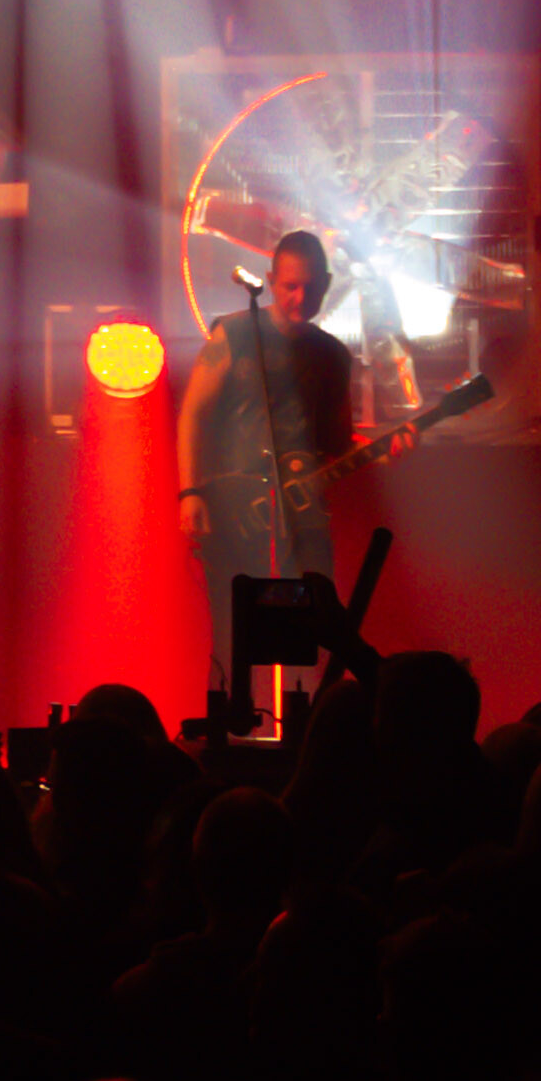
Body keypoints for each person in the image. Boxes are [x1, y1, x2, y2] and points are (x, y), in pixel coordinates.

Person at [174, 221, 358, 721]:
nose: (300, 298)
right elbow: (194, 413)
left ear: (327, 284)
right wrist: (190, 492)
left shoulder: (333, 356)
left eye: (311, 288)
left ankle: (307, 728)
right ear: (271, 281)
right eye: (290, 286)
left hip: (301, 513)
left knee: (311, 619)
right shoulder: (234, 334)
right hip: (234, 506)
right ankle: (230, 725)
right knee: (232, 626)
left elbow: (337, 447)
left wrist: (385, 448)